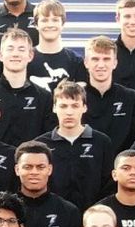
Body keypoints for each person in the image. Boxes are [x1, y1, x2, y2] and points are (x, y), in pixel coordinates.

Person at [36, 80, 115, 209]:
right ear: (54, 108)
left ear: (84, 107)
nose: (69, 112)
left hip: (93, 215)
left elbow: (109, 185)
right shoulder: (41, 145)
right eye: (63, 106)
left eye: (75, 106)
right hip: (52, 214)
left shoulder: (101, 142)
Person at [15, 140, 84, 227]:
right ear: (17, 169)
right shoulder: (6, 211)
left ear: (50, 169)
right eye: (28, 167)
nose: (34, 172)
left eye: (40, 167)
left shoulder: (68, 211)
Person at [0, 29, 53, 146]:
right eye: (10, 49)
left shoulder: (44, 98)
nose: (15, 54)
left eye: (21, 49)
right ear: (0, 55)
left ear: (30, 55)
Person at [81, 35, 135, 151]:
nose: (101, 65)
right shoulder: (76, 99)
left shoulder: (131, 98)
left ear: (115, 63)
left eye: (106, 59)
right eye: (95, 59)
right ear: (86, 63)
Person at [29, 0, 86, 92]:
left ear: (62, 23)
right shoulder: (26, 59)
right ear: (36, 24)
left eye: (55, 20)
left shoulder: (76, 61)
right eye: (44, 20)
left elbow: (80, 95)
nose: (50, 25)